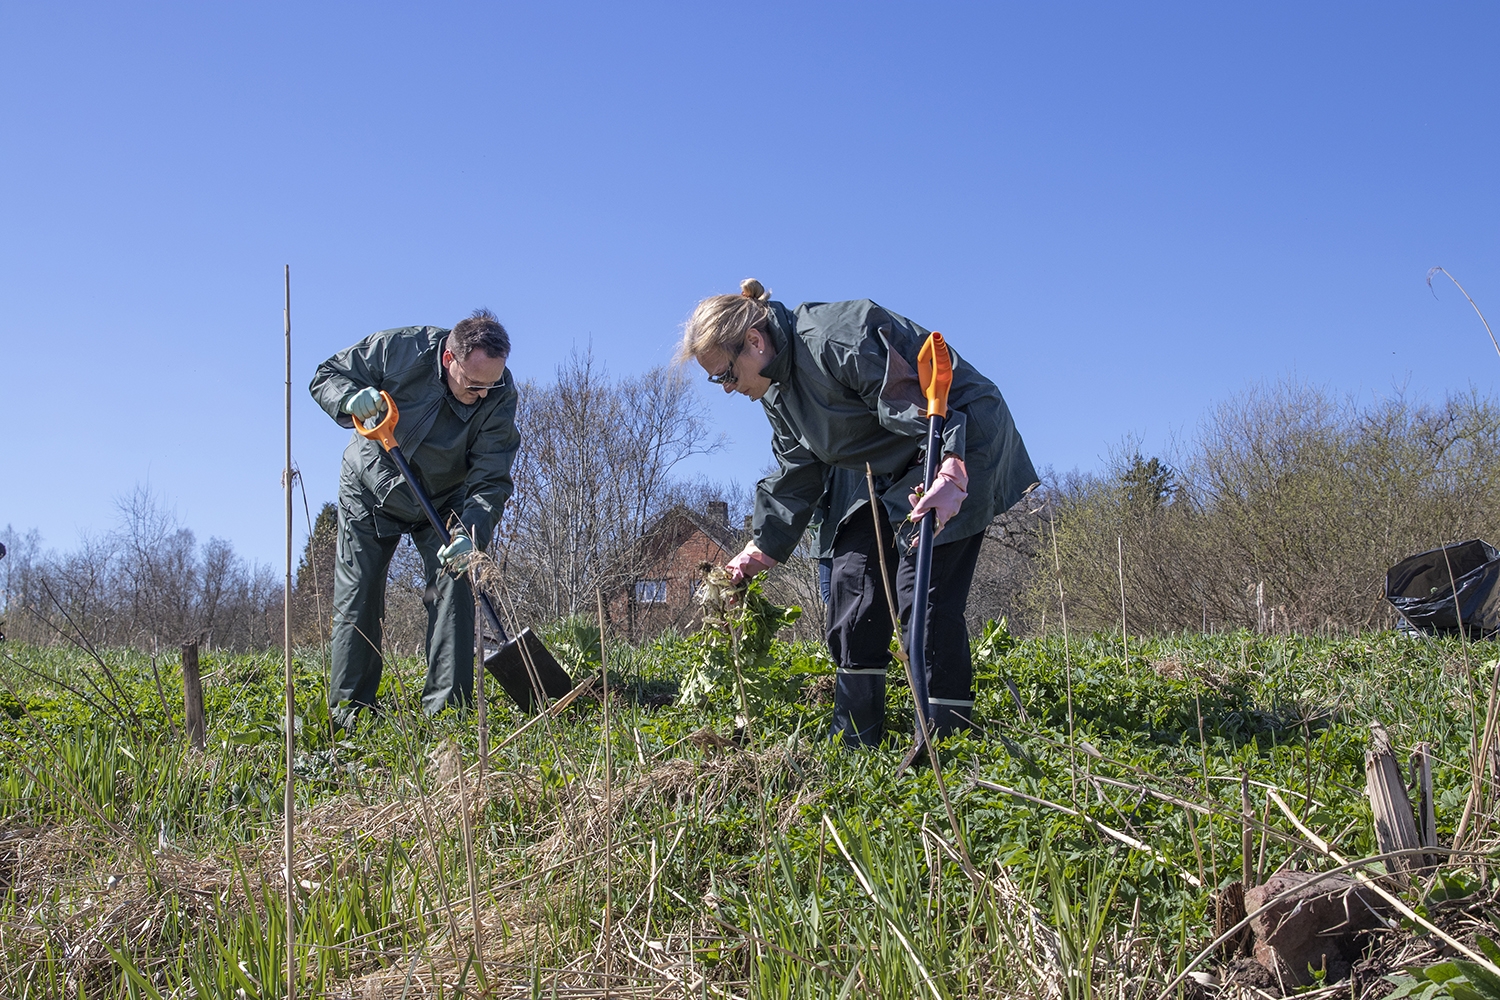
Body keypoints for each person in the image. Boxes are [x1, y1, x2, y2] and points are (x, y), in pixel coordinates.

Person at [679, 280, 1036, 747]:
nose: (726, 388)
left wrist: (951, 469)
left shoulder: (835, 338)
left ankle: (945, 740)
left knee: (920, 596)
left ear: (753, 340)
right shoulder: (775, 390)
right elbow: (797, 473)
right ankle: (858, 734)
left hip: (955, 438)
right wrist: (756, 552)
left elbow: (921, 404)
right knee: (853, 582)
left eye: (724, 373)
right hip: (882, 465)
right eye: (716, 380)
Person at [310, 309, 519, 722]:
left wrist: (470, 535)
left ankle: (446, 716)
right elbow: (326, 376)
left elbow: (491, 477)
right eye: (474, 384)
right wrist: (350, 397)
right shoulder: (399, 350)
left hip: (443, 501)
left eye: (491, 385)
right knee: (360, 596)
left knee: (455, 587)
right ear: (449, 359)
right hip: (371, 487)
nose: (483, 394)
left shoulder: (498, 394)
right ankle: (351, 715)